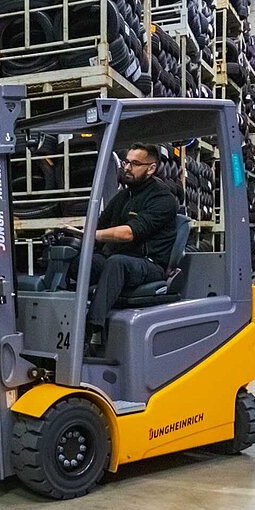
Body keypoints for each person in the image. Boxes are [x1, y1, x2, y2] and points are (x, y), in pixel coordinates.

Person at [69, 142, 178, 355]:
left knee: (115, 263)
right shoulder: (123, 197)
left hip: (150, 265)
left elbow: (129, 233)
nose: (127, 167)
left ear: (151, 168)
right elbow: (98, 228)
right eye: (127, 161)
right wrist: (73, 239)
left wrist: (92, 234)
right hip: (122, 259)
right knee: (79, 260)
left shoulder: (163, 198)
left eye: (135, 163)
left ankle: (90, 331)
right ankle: (64, 319)